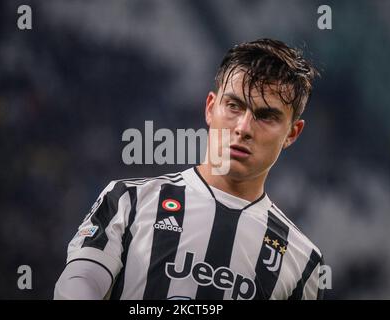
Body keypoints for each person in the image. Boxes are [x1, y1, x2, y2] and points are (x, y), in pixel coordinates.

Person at [54, 38, 324, 300]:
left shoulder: (304, 263)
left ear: (292, 133)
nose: (243, 128)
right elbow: (78, 283)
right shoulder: (128, 201)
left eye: (266, 116)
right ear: (210, 108)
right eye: (234, 106)